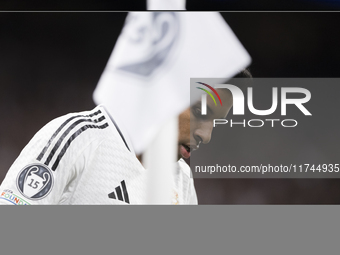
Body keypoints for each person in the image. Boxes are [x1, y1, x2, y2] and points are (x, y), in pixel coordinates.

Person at [0, 70, 251, 205]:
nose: (206, 135)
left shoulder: (182, 181)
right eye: (200, 112)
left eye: (216, 121)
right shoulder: (78, 138)